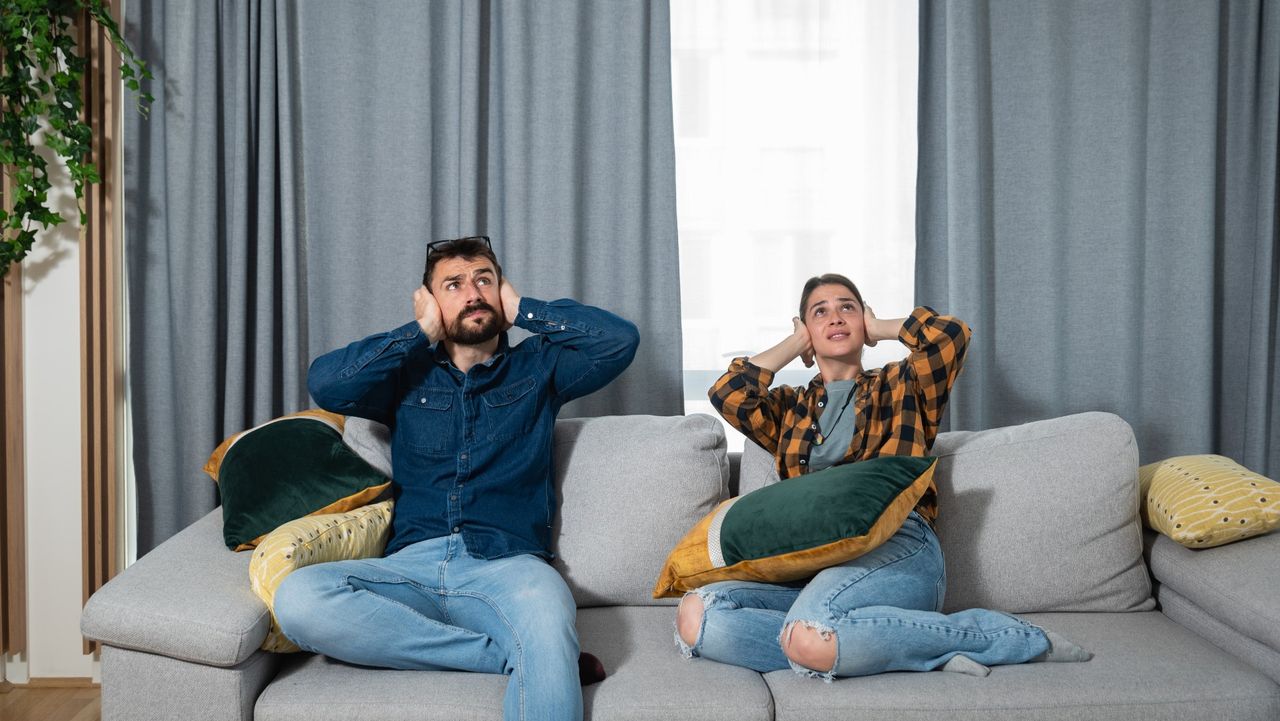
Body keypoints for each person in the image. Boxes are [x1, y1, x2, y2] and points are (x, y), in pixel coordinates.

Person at [274, 236, 639, 720]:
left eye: (484, 280)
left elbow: (619, 340)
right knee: (298, 598)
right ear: (430, 301)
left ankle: (538, 652)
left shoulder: (539, 366)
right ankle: (506, 658)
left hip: (510, 568)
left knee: (548, 620)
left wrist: (522, 309)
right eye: (454, 285)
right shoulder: (404, 373)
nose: (472, 293)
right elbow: (326, 383)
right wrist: (418, 331)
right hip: (412, 568)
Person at [675, 273, 1090, 680]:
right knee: (698, 615)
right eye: (820, 312)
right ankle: (900, 646)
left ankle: (1006, 636)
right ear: (806, 335)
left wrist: (878, 327)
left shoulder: (904, 384)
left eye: (847, 308)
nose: (835, 317)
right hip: (812, 566)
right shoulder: (788, 410)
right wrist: (797, 342)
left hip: (899, 547)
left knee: (808, 632)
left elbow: (952, 336)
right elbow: (728, 393)